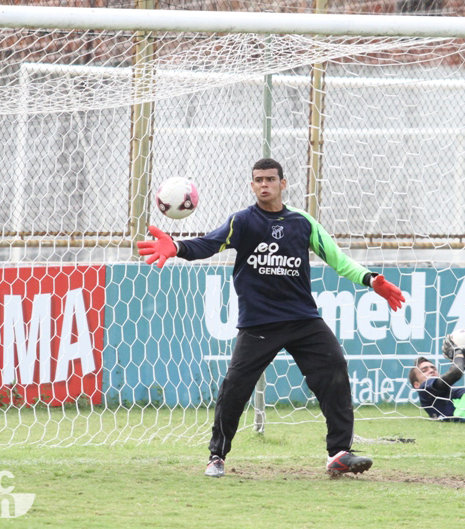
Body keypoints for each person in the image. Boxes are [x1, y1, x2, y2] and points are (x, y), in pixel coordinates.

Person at [137, 158, 406, 477]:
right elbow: (209, 244)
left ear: (283, 183)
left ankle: (340, 453)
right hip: (259, 323)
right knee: (235, 387)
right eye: (258, 180)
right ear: (252, 186)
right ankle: (217, 456)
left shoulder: (302, 222)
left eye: (270, 179)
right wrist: (177, 247)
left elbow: (338, 260)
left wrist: (371, 279)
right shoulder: (243, 222)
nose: (264, 184)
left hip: (303, 319)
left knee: (334, 370)